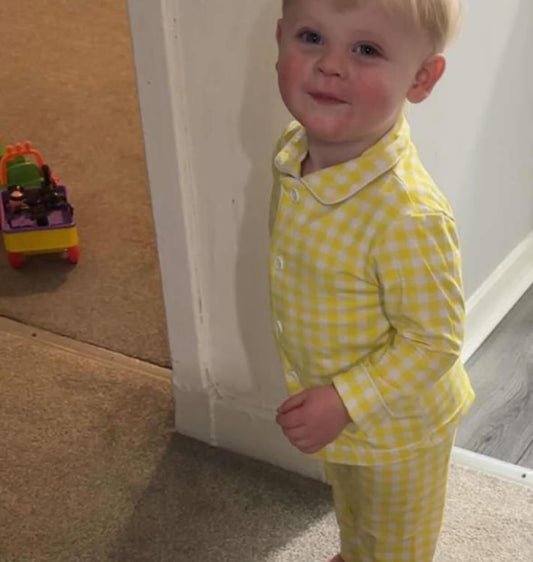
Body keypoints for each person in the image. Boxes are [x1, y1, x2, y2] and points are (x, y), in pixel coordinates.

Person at [269, 0, 475, 560]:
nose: (331, 65)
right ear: (280, 39)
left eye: (366, 49)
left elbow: (435, 341)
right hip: (342, 415)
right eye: (312, 37)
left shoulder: (408, 215)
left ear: (421, 78)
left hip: (401, 432)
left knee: (395, 541)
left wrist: (343, 400)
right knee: (354, 508)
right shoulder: (292, 151)